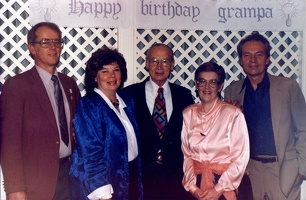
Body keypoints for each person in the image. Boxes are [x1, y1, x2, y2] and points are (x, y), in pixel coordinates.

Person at [0, 22, 81, 199]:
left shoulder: (69, 84)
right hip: (35, 184)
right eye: (45, 42)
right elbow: (9, 142)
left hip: (70, 177)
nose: (53, 47)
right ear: (32, 48)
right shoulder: (17, 86)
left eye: (57, 42)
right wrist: (14, 188)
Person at [224, 33, 306, 200]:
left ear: (268, 59)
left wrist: (301, 170)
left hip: (283, 169)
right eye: (247, 55)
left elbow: (303, 130)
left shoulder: (288, 87)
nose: (253, 60)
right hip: (249, 171)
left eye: (259, 55)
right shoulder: (232, 91)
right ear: (240, 60)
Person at [121, 43, 194, 199]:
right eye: (154, 61)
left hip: (175, 178)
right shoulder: (129, 94)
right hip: (142, 177)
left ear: (172, 65)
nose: (159, 66)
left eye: (165, 61)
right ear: (147, 64)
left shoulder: (184, 95)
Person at [69, 47, 143, 200]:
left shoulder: (127, 100)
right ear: (95, 76)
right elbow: (91, 153)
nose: (112, 75)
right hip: (104, 181)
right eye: (104, 71)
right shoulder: (89, 105)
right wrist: (102, 194)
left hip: (130, 176)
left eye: (116, 70)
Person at [181, 62, 250, 200]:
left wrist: (217, 190)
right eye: (202, 81)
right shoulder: (188, 113)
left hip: (226, 185)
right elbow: (187, 155)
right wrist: (193, 188)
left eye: (213, 82)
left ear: (220, 86)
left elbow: (240, 158)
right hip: (196, 185)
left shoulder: (233, 114)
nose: (207, 87)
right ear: (196, 83)